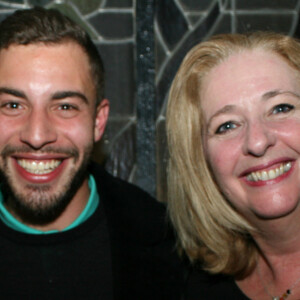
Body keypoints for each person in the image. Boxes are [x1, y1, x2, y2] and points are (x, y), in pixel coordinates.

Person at [0, 7, 185, 299]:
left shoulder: (171, 248)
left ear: (98, 122)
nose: (37, 136)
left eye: (65, 106)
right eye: (12, 105)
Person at [166, 31, 300, 300]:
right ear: (199, 160)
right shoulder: (197, 289)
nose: (258, 142)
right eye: (226, 125)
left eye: (281, 108)